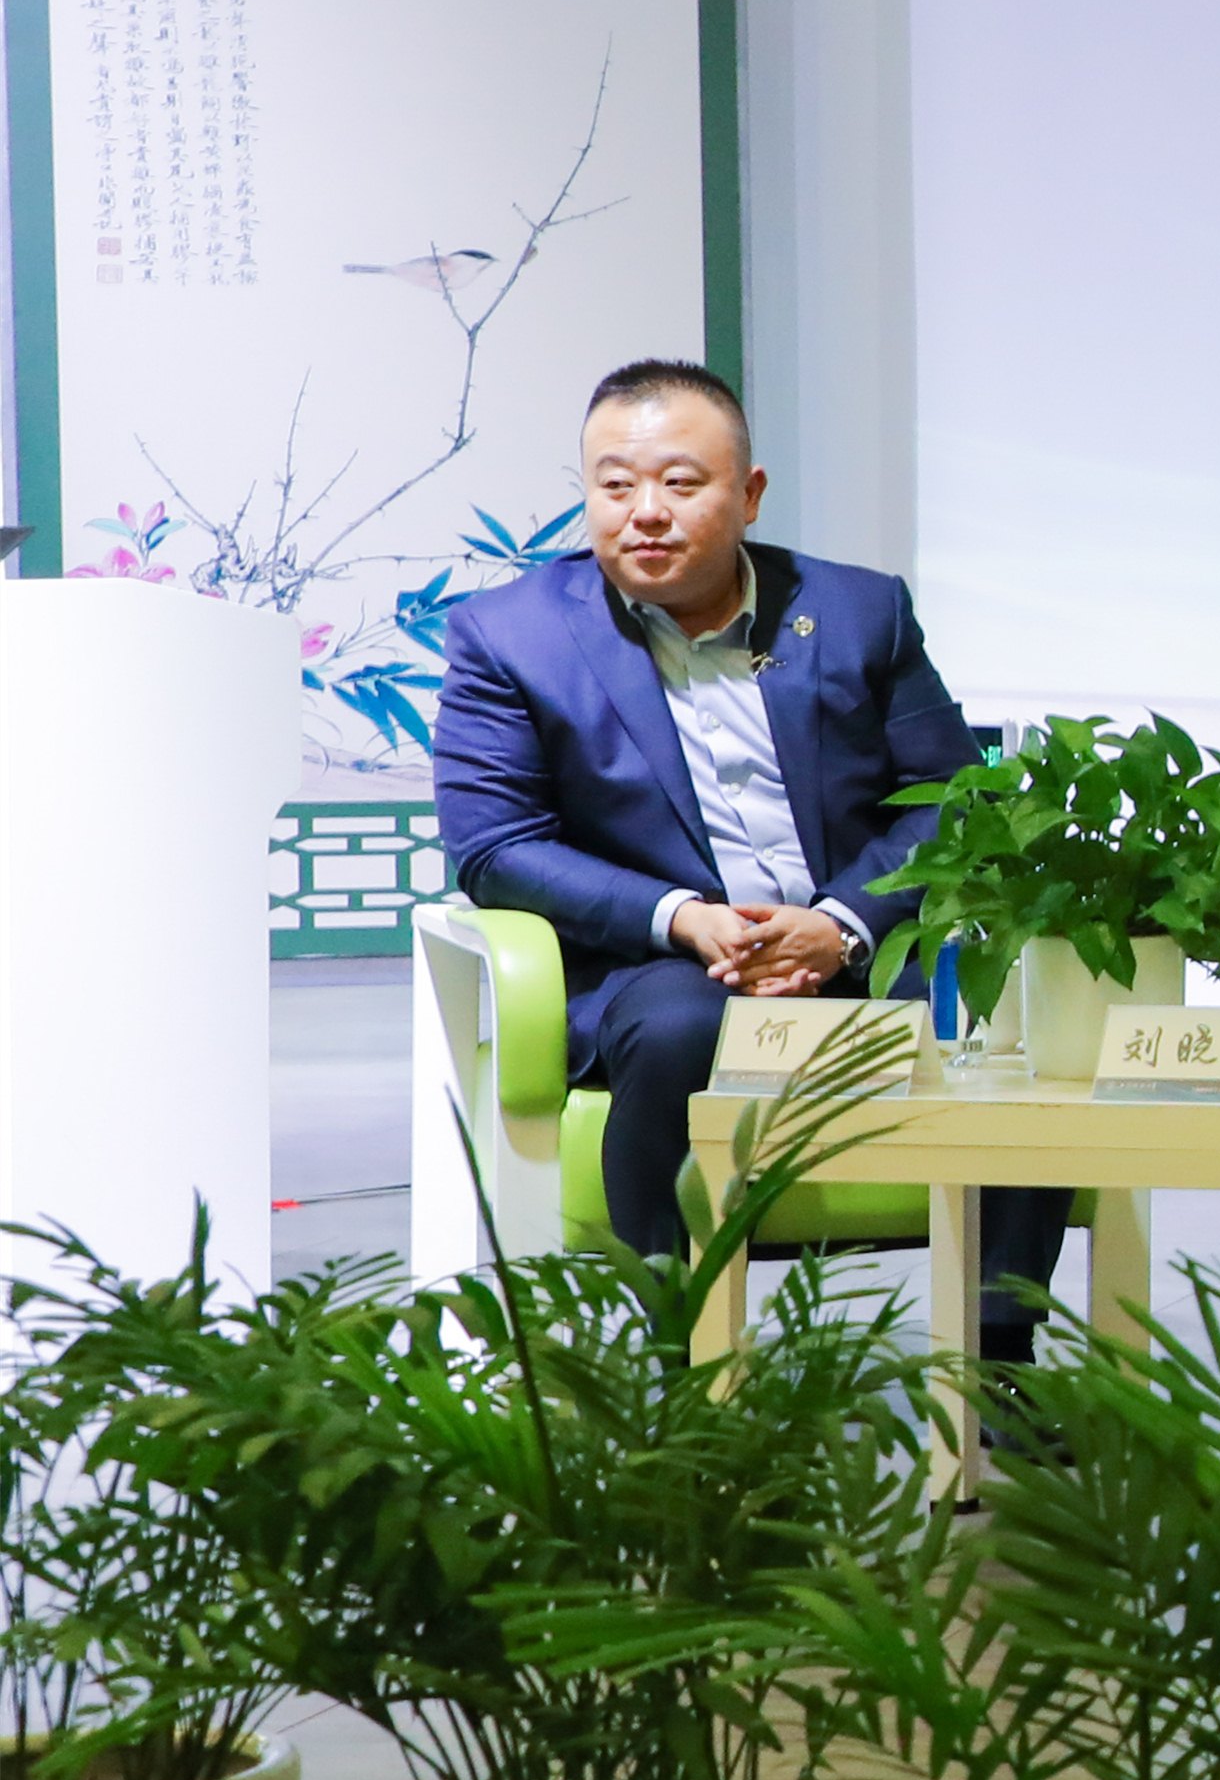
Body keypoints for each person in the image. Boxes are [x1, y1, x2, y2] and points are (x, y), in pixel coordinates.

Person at [429, 358, 1069, 1354]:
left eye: (680, 483)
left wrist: (842, 924)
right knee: (683, 1029)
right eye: (614, 484)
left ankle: (1001, 1360)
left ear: (750, 493)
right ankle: (677, 1349)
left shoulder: (856, 612)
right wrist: (684, 918)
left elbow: (954, 800)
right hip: (661, 963)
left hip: (857, 945)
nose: (645, 511)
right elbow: (496, 847)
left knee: (1023, 1027)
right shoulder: (511, 637)